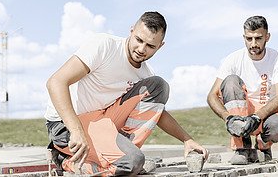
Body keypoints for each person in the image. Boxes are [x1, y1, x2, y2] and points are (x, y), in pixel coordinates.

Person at [45, 11, 208, 176]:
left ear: (160, 46)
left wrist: (187, 140)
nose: (141, 49)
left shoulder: (144, 73)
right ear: (131, 30)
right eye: (139, 40)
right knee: (132, 163)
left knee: (158, 86)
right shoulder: (104, 46)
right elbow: (56, 82)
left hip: (102, 120)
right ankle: (67, 162)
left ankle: (121, 155)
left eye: (150, 46)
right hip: (66, 126)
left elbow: (158, 113)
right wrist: (76, 130)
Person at [207, 15, 278, 165]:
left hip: (265, 113)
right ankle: (242, 148)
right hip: (241, 113)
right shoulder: (233, 59)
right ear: (244, 37)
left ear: (267, 37)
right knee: (231, 81)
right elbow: (212, 96)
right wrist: (228, 118)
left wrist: (256, 117)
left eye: (258, 38)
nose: (253, 44)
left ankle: (263, 146)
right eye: (249, 39)